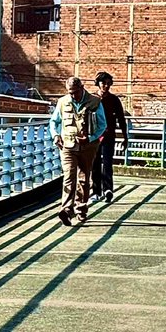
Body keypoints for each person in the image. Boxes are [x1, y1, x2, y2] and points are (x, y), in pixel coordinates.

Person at [49, 76, 106, 226]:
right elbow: (54, 122)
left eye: (75, 92)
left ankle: (81, 209)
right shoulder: (62, 102)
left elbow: (102, 125)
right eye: (70, 92)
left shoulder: (95, 102)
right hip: (67, 145)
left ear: (82, 88)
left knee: (83, 178)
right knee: (69, 176)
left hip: (88, 147)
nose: (73, 95)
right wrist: (55, 135)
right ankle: (67, 210)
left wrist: (90, 138)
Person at [91, 72, 128, 203]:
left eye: (108, 83)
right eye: (103, 83)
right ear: (98, 84)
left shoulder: (114, 100)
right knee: (95, 164)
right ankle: (96, 191)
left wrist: (125, 137)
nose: (106, 86)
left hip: (109, 135)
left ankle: (108, 189)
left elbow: (121, 119)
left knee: (107, 163)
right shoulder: (92, 99)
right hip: (94, 136)